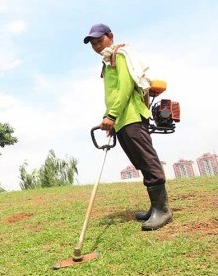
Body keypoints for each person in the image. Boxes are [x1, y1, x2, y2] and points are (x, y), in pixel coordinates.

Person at [83, 23, 172, 230]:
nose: (96, 45)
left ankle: (163, 210)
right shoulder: (107, 61)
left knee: (147, 160)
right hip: (121, 120)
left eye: (99, 40)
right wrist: (109, 116)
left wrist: (112, 114)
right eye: (93, 43)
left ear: (110, 36)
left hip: (131, 116)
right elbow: (113, 94)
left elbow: (125, 87)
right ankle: (155, 207)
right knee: (140, 162)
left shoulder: (120, 55)